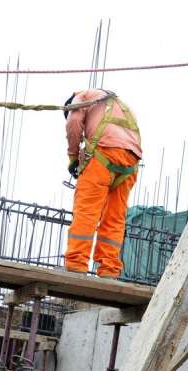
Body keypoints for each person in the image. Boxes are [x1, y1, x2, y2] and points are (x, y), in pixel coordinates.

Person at [64, 89, 142, 278]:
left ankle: (76, 263)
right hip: (130, 163)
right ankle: (109, 269)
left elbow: (73, 123)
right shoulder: (118, 103)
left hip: (103, 155)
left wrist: (73, 157)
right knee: (115, 218)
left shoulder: (80, 97)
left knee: (87, 210)